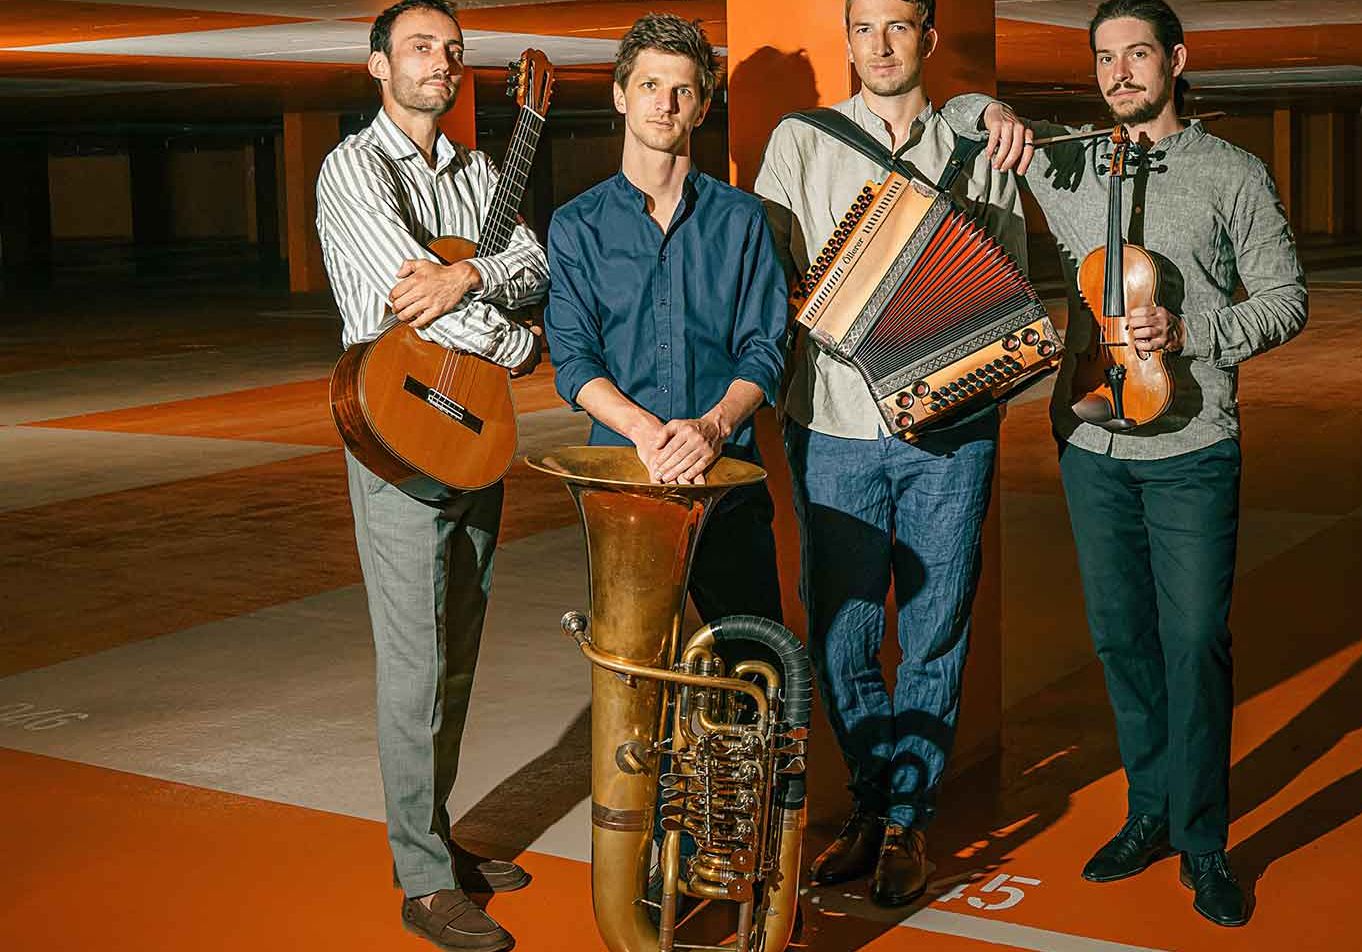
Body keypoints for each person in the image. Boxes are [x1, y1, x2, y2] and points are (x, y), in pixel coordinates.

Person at [945, 0, 1309, 928]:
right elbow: (953, 114)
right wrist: (991, 112)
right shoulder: (1068, 162)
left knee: (1195, 642)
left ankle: (1204, 840)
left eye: (1137, 55)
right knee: (1119, 640)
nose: (1119, 74)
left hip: (1193, 447)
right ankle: (1149, 810)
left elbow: (1286, 299)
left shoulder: (1232, 173)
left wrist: (1195, 332)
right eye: (1104, 58)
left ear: (1174, 61)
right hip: (1092, 443)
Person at [753, 0, 1031, 908]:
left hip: (951, 432)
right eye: (864, 29)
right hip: (833, 423)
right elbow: (768, 278)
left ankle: (910, 817)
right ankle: (872, 801)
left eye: (899, 27)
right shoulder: (801, 142)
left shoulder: (979, 148)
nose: (880, 46)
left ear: (928, 39)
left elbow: (1004, 284)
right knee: (842, 632)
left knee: (936, 627)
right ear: (847, 40)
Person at [315, 2, 546, 949]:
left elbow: (531, 261)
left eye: (452, 51)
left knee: (458, 654)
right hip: (399, 433)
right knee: (414, 663)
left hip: (475, 431)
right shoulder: (352, 168)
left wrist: (468, 276)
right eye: (419, 48)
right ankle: (420, 881)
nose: (440, 63)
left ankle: (437, 836)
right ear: (379, 65)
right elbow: (410, 303)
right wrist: (516, 343)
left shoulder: (480, 172)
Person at [543, 13, 787, 626]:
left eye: (683, 90)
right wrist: (647, 434)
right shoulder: (576, 226)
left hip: (727, 477)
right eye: (649, 85)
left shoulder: (743, 220)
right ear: (620, 95)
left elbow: (765, 348)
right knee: (630, 668)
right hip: (624, 483)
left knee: (756, 661)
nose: (665, 104)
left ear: (702, 108)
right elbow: (573, 361)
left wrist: (712, 427)